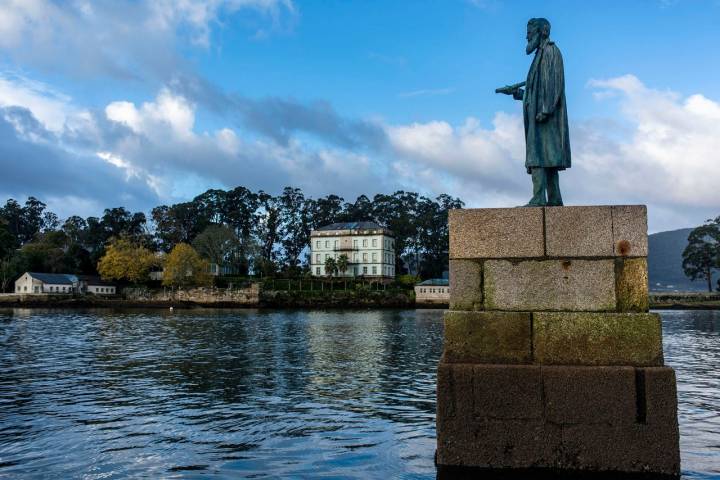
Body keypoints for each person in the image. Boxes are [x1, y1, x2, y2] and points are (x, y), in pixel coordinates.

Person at [497, 18, 571, 206]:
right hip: (540, 114)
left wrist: (545, 110)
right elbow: (535, 92)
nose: (527, 37)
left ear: (542, 32)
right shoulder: (540, 54)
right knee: (548, 158)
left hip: (546, 116)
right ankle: (554, 199)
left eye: (530, 33)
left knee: (539, 156)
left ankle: (539, 197)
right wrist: (518, 93)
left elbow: (555, 84)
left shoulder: (551, 51)